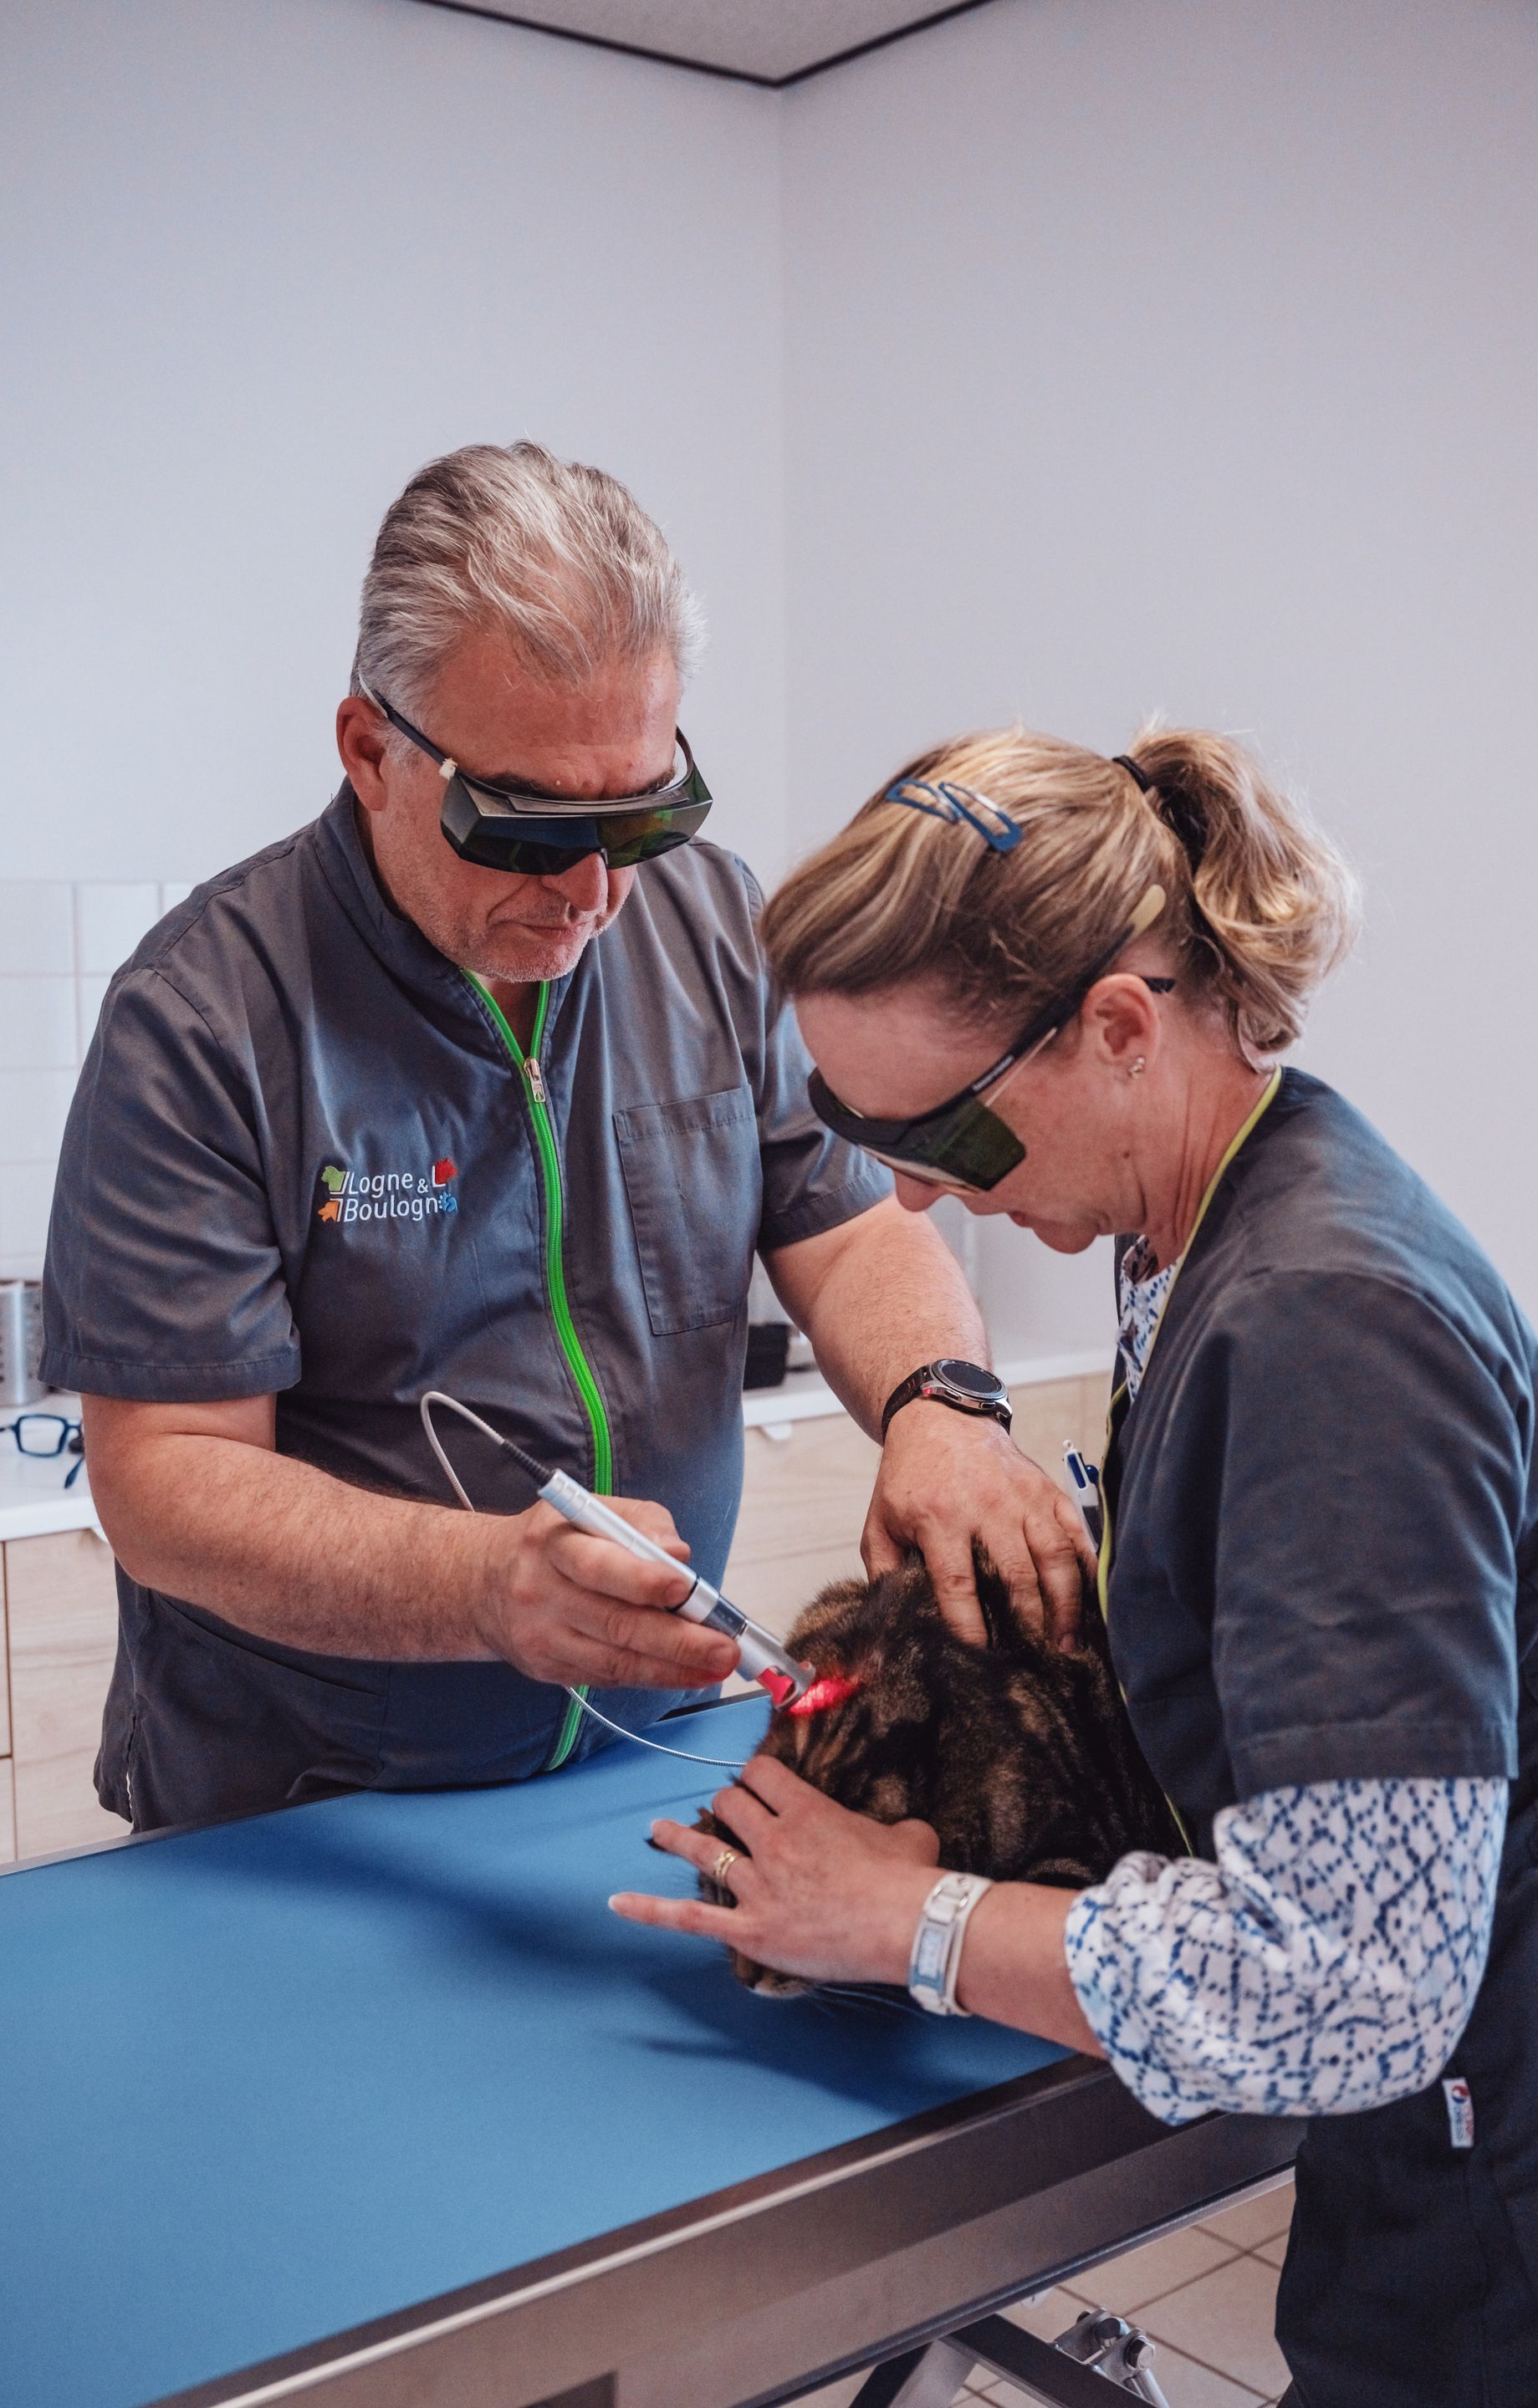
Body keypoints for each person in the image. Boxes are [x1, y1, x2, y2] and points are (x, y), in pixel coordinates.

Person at [612, 725, 1538, 2408]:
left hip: (1493, 2178)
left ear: (1119, 1028)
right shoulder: (1198, 1227)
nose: (910, 1197)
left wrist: (909, 1920)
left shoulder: (1327, 1327)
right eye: (858, 1130)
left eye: (945, 1140)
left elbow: (1361, 1988)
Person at [41, 444, 1086, 1832]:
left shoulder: (715, 930)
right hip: (314, 1807)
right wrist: (484, 1588)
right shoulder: (205, 1020)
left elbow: (850, 1236)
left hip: (647, 1763)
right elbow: (167, 1476)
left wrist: (939, 1404)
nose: (595, 891)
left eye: (642, 814)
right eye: (529, 828)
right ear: (371, 752)